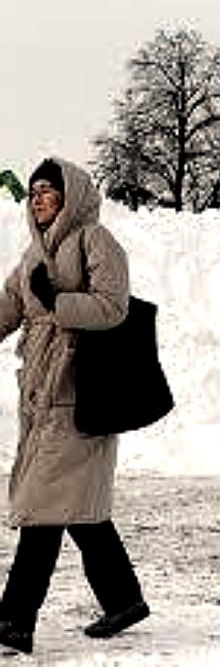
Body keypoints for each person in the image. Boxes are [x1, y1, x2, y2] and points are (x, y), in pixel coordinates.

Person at [0, 157, 150, 655]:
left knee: (43, 509)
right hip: (43, 395)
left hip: (79, 389)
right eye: (35, 191)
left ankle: (14, 621)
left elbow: (113, 308)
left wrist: (58, 298)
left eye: (49, 190)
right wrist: (34, 295)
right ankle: (123, 599)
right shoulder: (32, 254)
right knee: (79, 510)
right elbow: (10, 307)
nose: (38, 198)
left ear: (71, 197)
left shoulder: (95, 241)